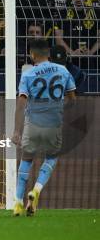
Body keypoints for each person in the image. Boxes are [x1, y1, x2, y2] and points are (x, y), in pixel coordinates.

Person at [12, 39, 75, 216]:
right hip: (54, 124)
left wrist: (17, 131)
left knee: (26, 159)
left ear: (32, 54)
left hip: (33, 123)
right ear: (49, 54)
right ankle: (36, 190)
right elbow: (72, 99)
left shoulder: (28, 74)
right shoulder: (63, 71)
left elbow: (20, 104)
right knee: (51, 158)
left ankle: (17, 202)